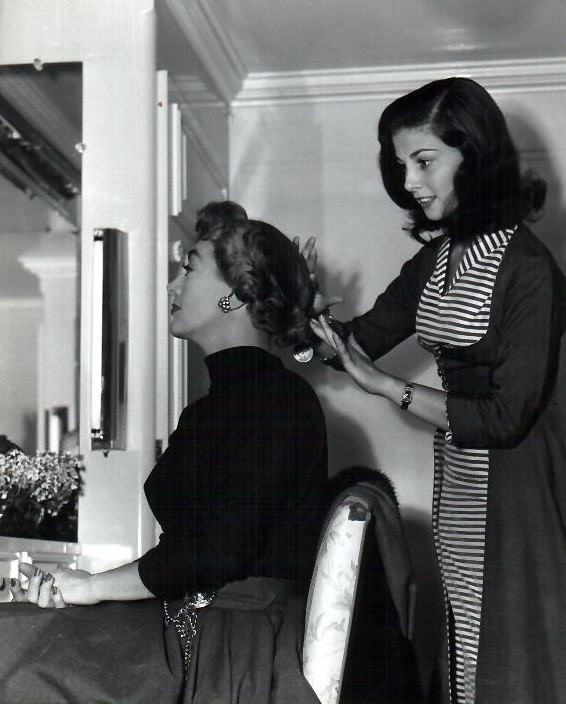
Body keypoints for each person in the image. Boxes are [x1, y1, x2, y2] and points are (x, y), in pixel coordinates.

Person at [0, 201, 328, 704]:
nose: (173, 286)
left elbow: (216, 551)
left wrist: (89, 587)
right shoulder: (209, 410)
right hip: (192, 620)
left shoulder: (282, 402)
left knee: (25, 667)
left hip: (232, 645)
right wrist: (82, 589)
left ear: (235, 297)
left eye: (189, 268)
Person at [306, 77, 566, 704]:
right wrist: (300, 309)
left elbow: (505, 418)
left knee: (512, 656)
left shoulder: (530, 270)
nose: (410, 182)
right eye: (401, 166)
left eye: (424, 161)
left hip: (519, 490)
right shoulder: (439, 259)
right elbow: (356, 344)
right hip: (459, 477)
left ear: (475, 156)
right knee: (466, 649)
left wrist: (386, 387)